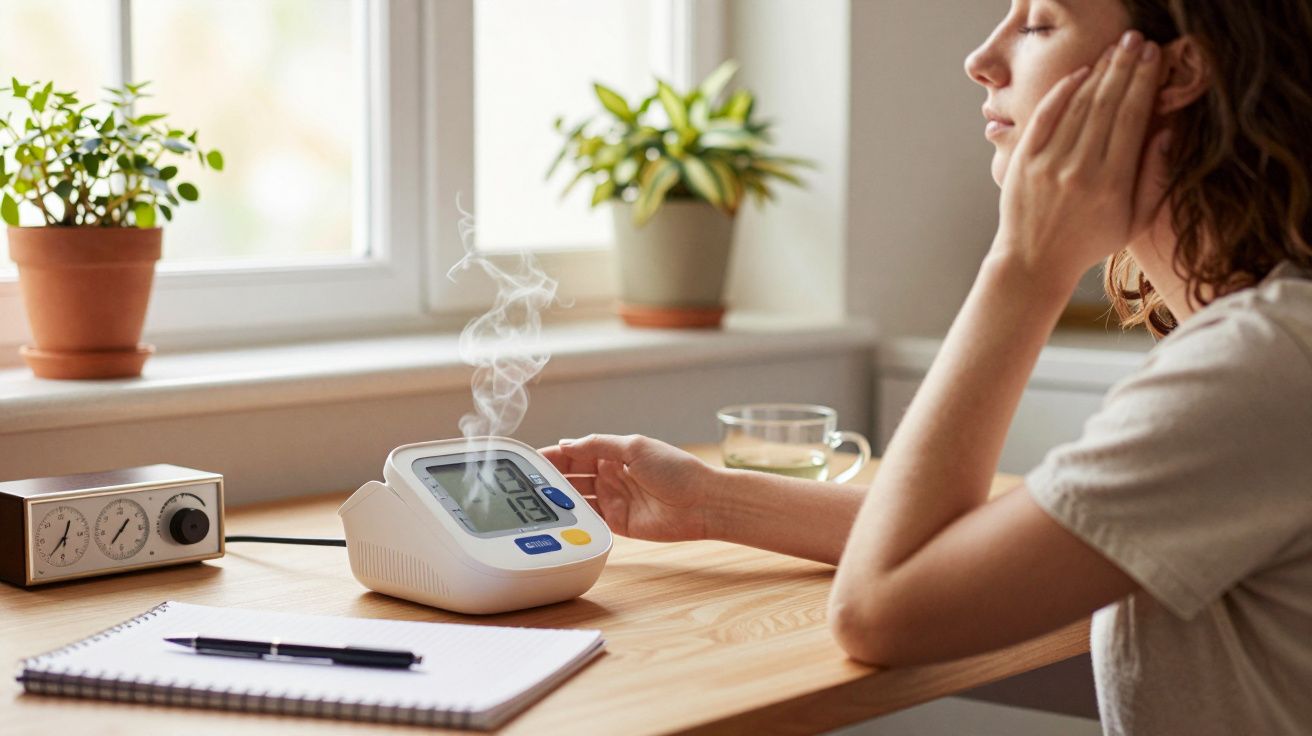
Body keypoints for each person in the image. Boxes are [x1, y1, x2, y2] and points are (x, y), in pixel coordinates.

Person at [542, 0, 1312, 733]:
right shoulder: (1264, 346)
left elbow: (880, 608)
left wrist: (1024, 262)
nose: (981, 59)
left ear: (1176, 74)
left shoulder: (1260, 366)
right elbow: (1003, 544)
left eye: (1041, 23)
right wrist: (712, 502)